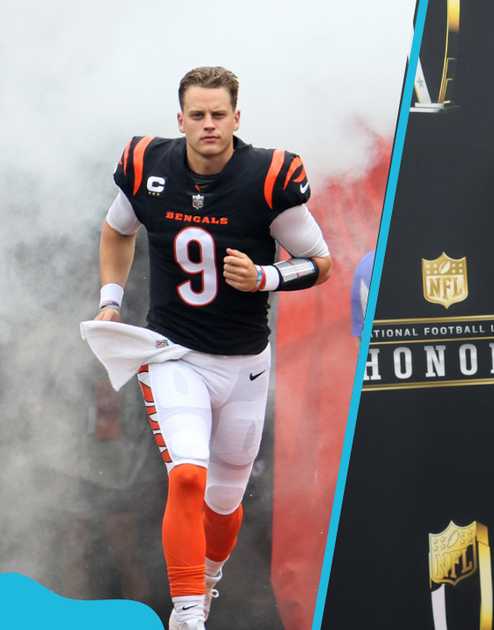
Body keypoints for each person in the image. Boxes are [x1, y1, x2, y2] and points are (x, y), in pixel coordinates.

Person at [88, 66, 332, 630]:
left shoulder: (268, 176)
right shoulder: (148, 165)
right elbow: (117, 229)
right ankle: (189, 611)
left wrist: (265, 277)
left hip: (245, 362)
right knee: (187, 478)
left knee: (223, 503)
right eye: (197, 115)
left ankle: (211, 577)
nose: (208, 125)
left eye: (218, 115)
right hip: (174, 354)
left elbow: (320, 263)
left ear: (236, 119)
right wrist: (110, 299)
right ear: (180, 120)